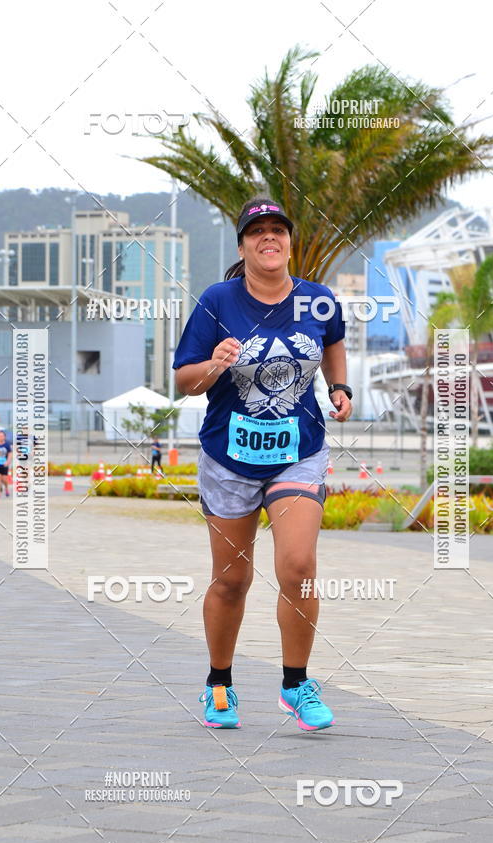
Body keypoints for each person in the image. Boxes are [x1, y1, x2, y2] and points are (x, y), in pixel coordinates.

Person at [173, 197, 352, 731]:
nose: (268, 238)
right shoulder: (217, 300)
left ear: (289, 242)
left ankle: (296, 685)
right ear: (243, 245)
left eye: (278, 230)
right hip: (229, 455)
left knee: (297, 567)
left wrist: (339, 386)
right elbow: (184, 381)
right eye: (257, 231)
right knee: (231, 581)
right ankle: (219, 684)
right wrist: (214, 363)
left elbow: (335, 340)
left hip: (299, 452)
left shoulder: (319, 301)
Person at [0, 430, 13, 498]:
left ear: (4, 437)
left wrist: (8, 462)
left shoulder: (7, 445)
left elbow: (10, 454)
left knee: (4, 479)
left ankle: (6, 488)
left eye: (2, 436)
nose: (0, 437)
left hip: (4, 464)